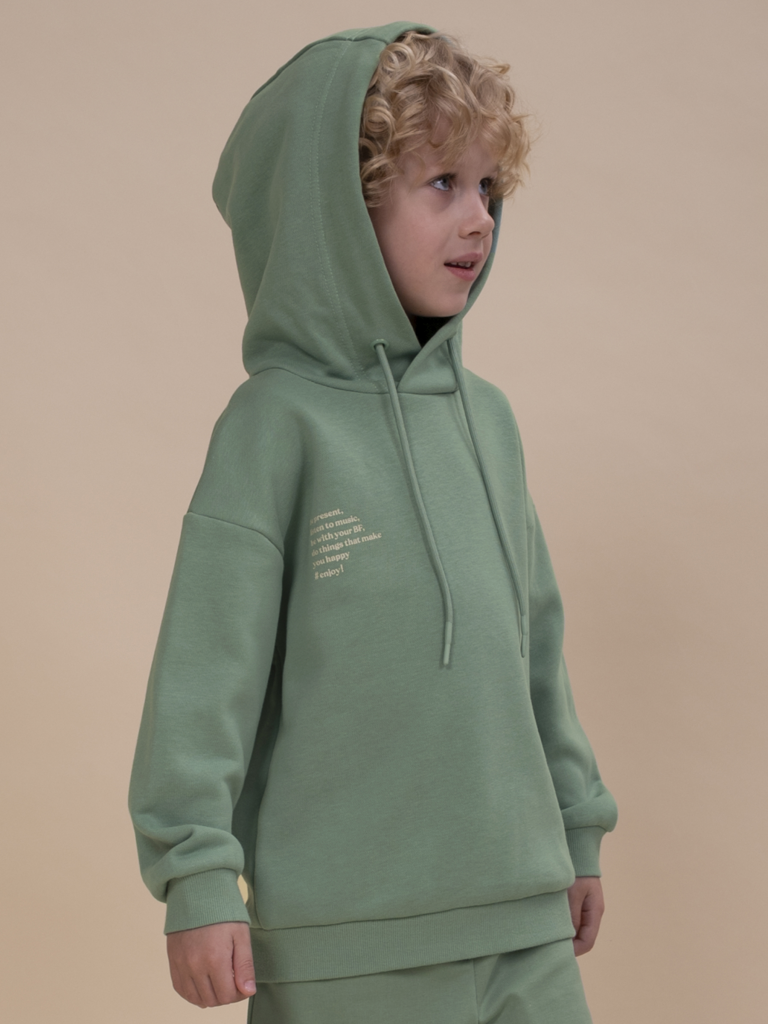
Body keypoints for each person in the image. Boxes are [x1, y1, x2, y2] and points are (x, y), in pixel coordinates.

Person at [128, 21, 618, 1023]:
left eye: (488, 186)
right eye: (442, 183)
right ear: (341, 211)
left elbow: (536, 648)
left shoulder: (487, 421)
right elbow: (205, 674)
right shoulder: (275, 426)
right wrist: (197, 875)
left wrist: (576, 826)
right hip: (346, 945)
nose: (479, 218)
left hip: (523, 921)